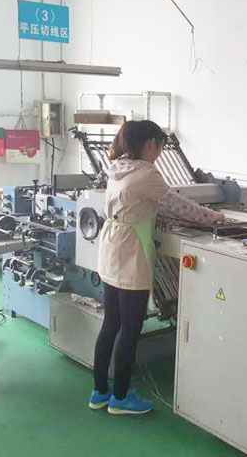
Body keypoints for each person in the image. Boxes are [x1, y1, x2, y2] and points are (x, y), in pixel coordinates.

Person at [89, 120, 224, 415]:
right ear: (150, 143)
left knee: (111, 324)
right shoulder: (146, 173)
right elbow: (176, 205)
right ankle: (121, 397)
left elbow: (146, 204)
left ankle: (100, 391)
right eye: (160, 145)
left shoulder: (117, 169)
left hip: (111, 249)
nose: (160, 152)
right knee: (130, 328)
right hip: (130, 254)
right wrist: (212, 216)